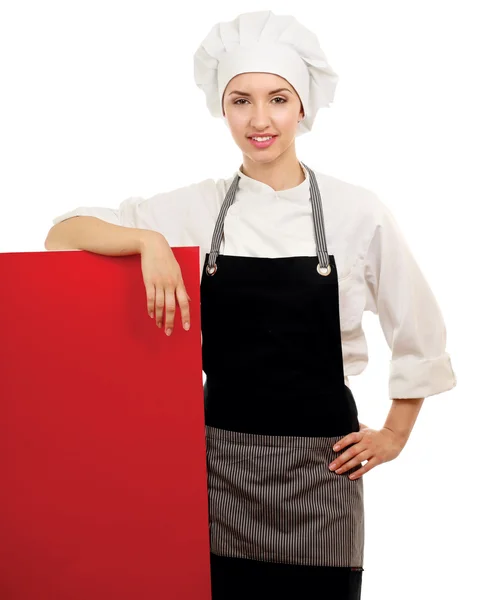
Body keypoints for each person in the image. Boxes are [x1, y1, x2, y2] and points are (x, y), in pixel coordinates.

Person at [45, 10, 457, 599]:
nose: (259, 120)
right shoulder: (196, 210)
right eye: (241, 100)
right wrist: (147, 241)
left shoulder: (356, 211)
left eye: (278, 99)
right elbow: (64, 233)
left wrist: (396, 433)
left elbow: (420, 330)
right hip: (218, 472)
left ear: (304, 107)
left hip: (323, 473)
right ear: (222, 107)